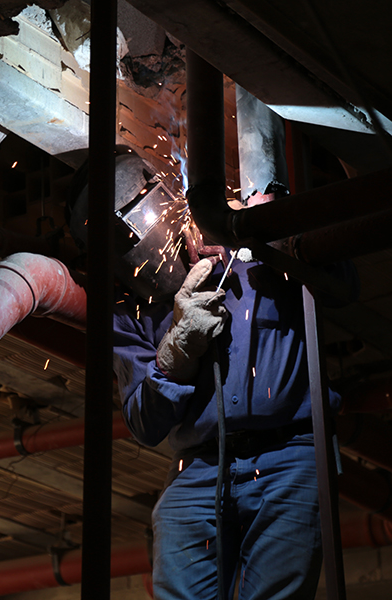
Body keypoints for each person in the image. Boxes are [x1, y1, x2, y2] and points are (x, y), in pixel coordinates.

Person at [113, 252, 353, 600]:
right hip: (198, 467)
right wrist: (175, 354)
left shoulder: (261, 254)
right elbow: (143, 424)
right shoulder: (129, 302)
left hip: (288, 456)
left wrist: (273, 236)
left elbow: (344, 284)